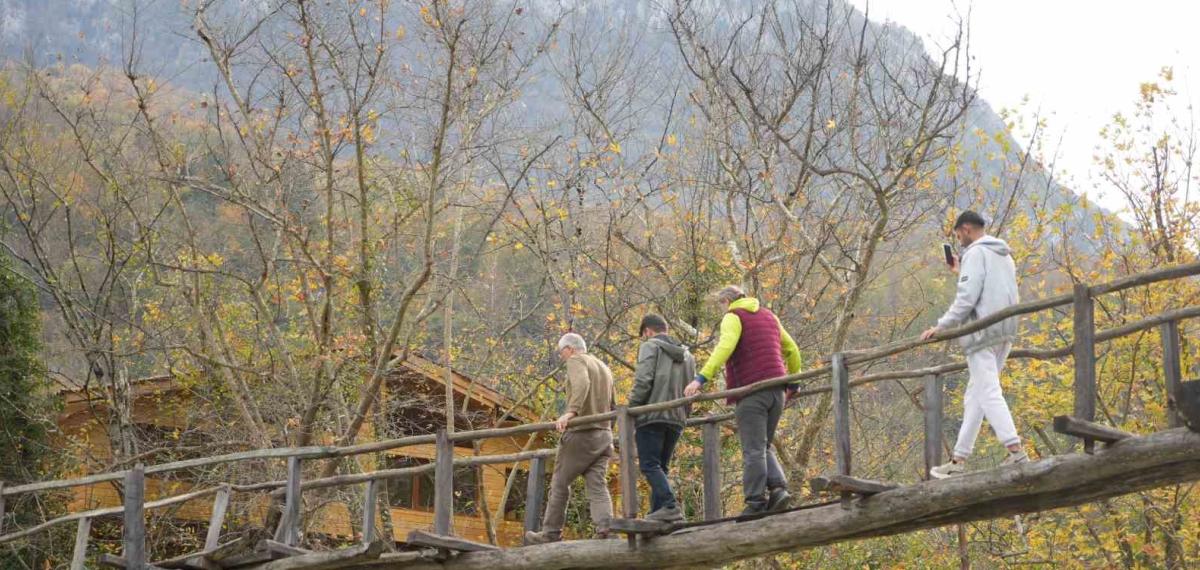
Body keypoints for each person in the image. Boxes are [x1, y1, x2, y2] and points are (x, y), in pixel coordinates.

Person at [921, 210, 1028, 479]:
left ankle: (1017, 452)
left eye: (958, 235)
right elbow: (989, 291)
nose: (959, 241)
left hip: (981, 332)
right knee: (976, 394)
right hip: (1004, 330)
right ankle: (959, 460)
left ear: (966, 229)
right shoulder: (1004, 255)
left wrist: (941, 325)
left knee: (989, 392)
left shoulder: (975, 253)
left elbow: (967, 298)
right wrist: (961, 272)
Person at [684, 286, 802, 515]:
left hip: (752, 391)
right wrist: (794, 383)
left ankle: (755, 502)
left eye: (721, 306)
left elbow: (725, 347)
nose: (722, 310)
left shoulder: (733, 316)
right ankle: (778, 490)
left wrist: (700, 379)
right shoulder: (770, 316)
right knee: (763, 444)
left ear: (727, 301)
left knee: (753, 449)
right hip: (777, 389)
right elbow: (792, 350)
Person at [525, 333, 617, 544]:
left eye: (561, 352)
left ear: (570, 349)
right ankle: (606, 529)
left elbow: (582, 383)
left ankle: (550, 533)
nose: (562, 357)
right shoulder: (603, 367)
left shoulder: (577, 360)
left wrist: (571, 412)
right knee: (597, 486)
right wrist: (607, 430)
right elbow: (613, 404)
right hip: (603, 435)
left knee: (559, 483)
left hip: (581, 433)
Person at [628, 314, 695, 523]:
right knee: (661, 467)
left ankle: (669, 506)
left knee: (649, 464)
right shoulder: (688, 356)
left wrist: (632, 409)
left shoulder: (650, 346)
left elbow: (643, 380)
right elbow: (692, 388)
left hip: (652, 415)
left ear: (647, 331)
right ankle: (660, 514)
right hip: (677, 416)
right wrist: (685, 413)